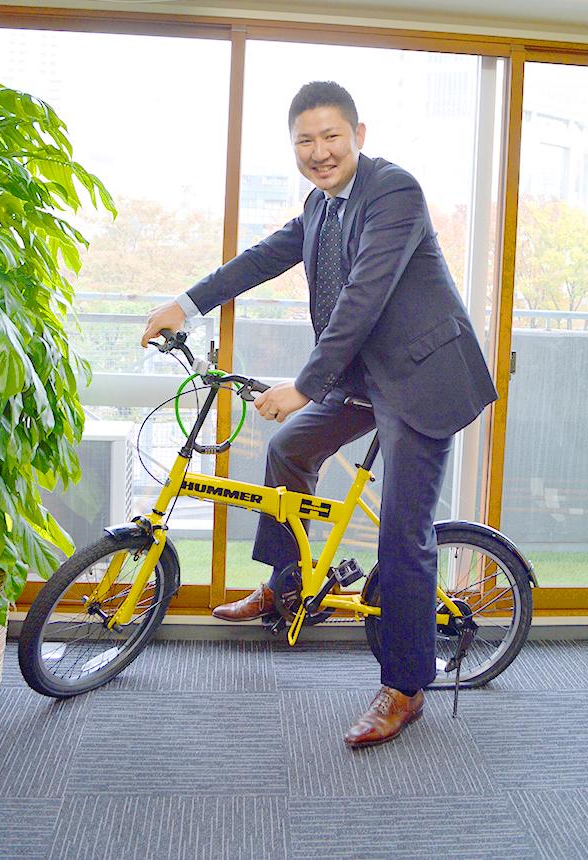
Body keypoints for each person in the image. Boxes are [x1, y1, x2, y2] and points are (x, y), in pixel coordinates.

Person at [141, 81, 497, 748]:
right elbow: (259, 260)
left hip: (421, 379)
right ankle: (287, 586)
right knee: (288, 451)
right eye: (305, 140)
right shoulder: (318, 205)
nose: (319, 151)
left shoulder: (395, 193)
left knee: (402, 535)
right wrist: (183, 305)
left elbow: (363, 297)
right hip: (364, 375)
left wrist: (305, 384)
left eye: (331, 136)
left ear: (360, 134)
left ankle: (405, 687)